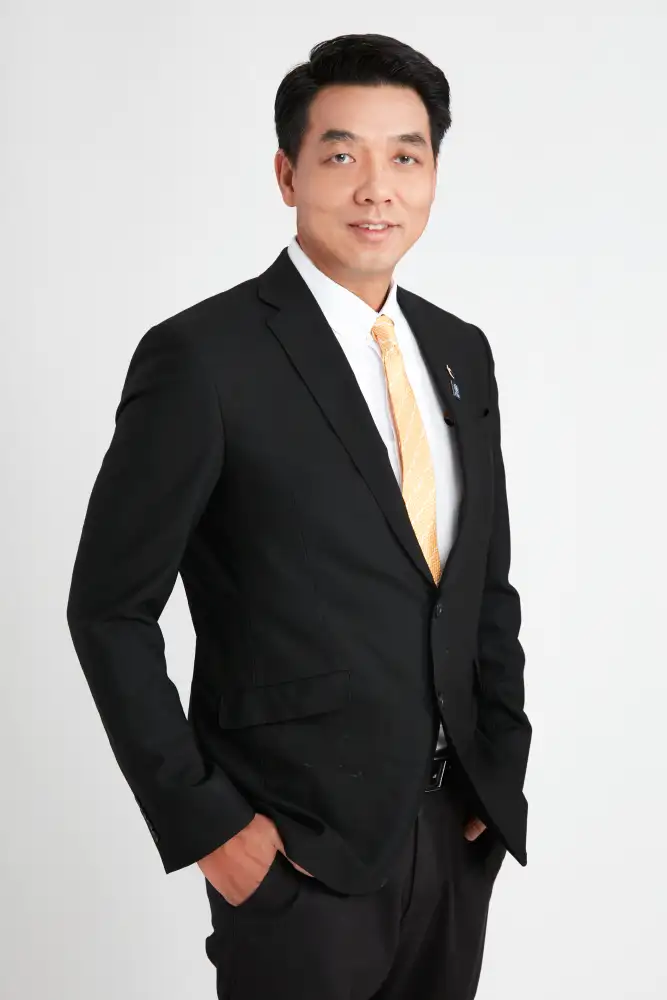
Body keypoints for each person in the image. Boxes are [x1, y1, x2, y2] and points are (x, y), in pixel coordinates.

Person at [66, 31, 531, 1000]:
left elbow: (480, 584)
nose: (376, 189)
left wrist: (501, 762)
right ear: (287, 174)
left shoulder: (461, 352)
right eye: (341, 154)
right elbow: (109, 609)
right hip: (295, 850)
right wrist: (209, 827)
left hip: (452, 833)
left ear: (433, 175)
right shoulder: (204, 357)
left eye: (405, 156)